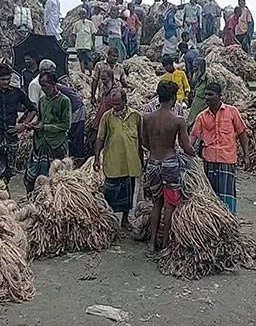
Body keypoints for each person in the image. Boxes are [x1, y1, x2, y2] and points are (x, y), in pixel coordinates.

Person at [143, 81, 197, 251]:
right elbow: (186, 147)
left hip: (152, 163)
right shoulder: (178, 120)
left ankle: (152, 243)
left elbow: (144, 143)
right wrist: (196, 154)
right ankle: (165, 242)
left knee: (156, 202)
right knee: (170, 204)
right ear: (174, 98)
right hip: (170, 163)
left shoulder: (147, 118)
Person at [189, 83, 250, 213]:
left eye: (210, 94)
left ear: (219, 96)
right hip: (209, 161)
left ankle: (229, 221)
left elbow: (242, 135)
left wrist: (246, 157)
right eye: (206, 94)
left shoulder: (232, 112)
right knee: (211, 197)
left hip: (227, 160)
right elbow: (193, 137)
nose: (207, 97)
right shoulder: (201, 116)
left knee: (227, 196)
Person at [0, 63, 37, 183]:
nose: (6, 82)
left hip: (11, 137)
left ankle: (6, 191)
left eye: (8, 79)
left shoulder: (17, 93)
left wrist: (23, 125)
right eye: (3, 79)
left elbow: (33, 109)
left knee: (9, 172)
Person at [94, 88, 141, 229]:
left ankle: (125, 220)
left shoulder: (135, 116)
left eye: (118, 104)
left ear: (125, 102)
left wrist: (142, 161)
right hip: (113, 160)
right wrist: (96, 157)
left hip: (130, 162)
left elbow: (141, 139)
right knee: (110, 192)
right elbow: (100, 138)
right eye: (112, 104)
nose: (114, 107)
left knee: (128, 193)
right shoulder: (107, 117)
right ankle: (109, 220)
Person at [25, 72, 71, 192]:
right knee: (33, 177)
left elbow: (65, 125)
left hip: (56, 143)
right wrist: (34, 124)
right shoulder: (42, 100)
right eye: (41, 86)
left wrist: (45, 127)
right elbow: (40, 118)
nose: (43, 89)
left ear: (54, 84)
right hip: (41, 143)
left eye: (45, 85)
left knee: (56, 178)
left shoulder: (64, 101)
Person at [91, 47, 127, 130]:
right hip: (103, 96)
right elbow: (94, 81)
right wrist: (92, 96)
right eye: (113, 56)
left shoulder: (120, 67)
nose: (115, 58)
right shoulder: (99, 65)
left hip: (116, 98)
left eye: (117, 56)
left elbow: (123, 81)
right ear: (108, 55)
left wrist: (129, 88)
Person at [56, 79, 86, 160]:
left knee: (76, 134)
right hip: (77, 107)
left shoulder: (56, 89)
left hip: (77, 108)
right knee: (74, 133)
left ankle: (78, 157)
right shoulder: (61, 87)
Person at [186, 57, 212, 130]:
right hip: (195, 107)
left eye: (196, 67)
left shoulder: (208, 79)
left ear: (202, 67)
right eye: (193, 66)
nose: (194, 69)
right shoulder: (197, 76)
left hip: (202, 108)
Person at [74, 9, 96, 75]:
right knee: (81, 60)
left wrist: (93, 44)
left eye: (84, 13)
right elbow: (74, 34)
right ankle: (83, 74)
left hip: (88, 45)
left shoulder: (90, 23)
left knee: (89, 59)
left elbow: (93, 34)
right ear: (79, 15)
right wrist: (76, 43)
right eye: (81, 14)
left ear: (86, 14)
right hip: (79, 45)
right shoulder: (76, 24)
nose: (83, 15)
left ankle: (90, 73)